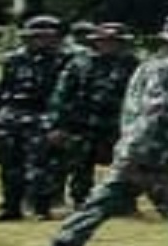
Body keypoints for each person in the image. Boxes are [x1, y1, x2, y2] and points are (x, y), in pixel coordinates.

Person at [32, 13, 168, 246]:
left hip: (142, 154)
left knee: (96, 209)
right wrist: (137, 156)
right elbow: (154, 116)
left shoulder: (150, 66)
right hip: (158, 157)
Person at [0, 11, 74, 220]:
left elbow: (67, 94)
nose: (41, 41)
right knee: (10, 165)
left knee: (41, 165)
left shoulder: (66, 61)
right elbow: (5, 89)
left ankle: (40, 207)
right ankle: (10, 206)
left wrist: (60, 123)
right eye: (36, 36)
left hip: (44, 116)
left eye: (47, 36)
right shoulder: (13, 60)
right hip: (13, 116)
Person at [56, 21, 136, 213]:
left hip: (119, 125)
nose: (108, 44)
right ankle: (81, 202)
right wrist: (59, 123)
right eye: (104, 41)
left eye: (114, 41)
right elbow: (63, 93)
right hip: (84, 123)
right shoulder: (79, 63)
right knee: (80, 165)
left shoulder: (133, 64)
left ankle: (124, 203)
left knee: (126, 165)